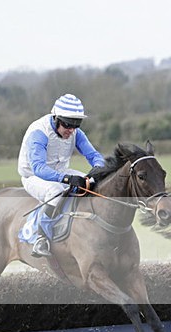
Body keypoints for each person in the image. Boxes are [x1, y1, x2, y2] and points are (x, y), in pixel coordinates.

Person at [18, 93, 106, 257]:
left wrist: (98, 168)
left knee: (92, 184)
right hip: (34, 176)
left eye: (76, 124)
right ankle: (41, 239)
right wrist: (67, 179)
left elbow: (94, 156)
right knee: (56, 191)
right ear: (56, 118)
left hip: (59, 171)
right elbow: (38, 168)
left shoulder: (75, 133)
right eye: (67, 125)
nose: (71, 130)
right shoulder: (39, 133)